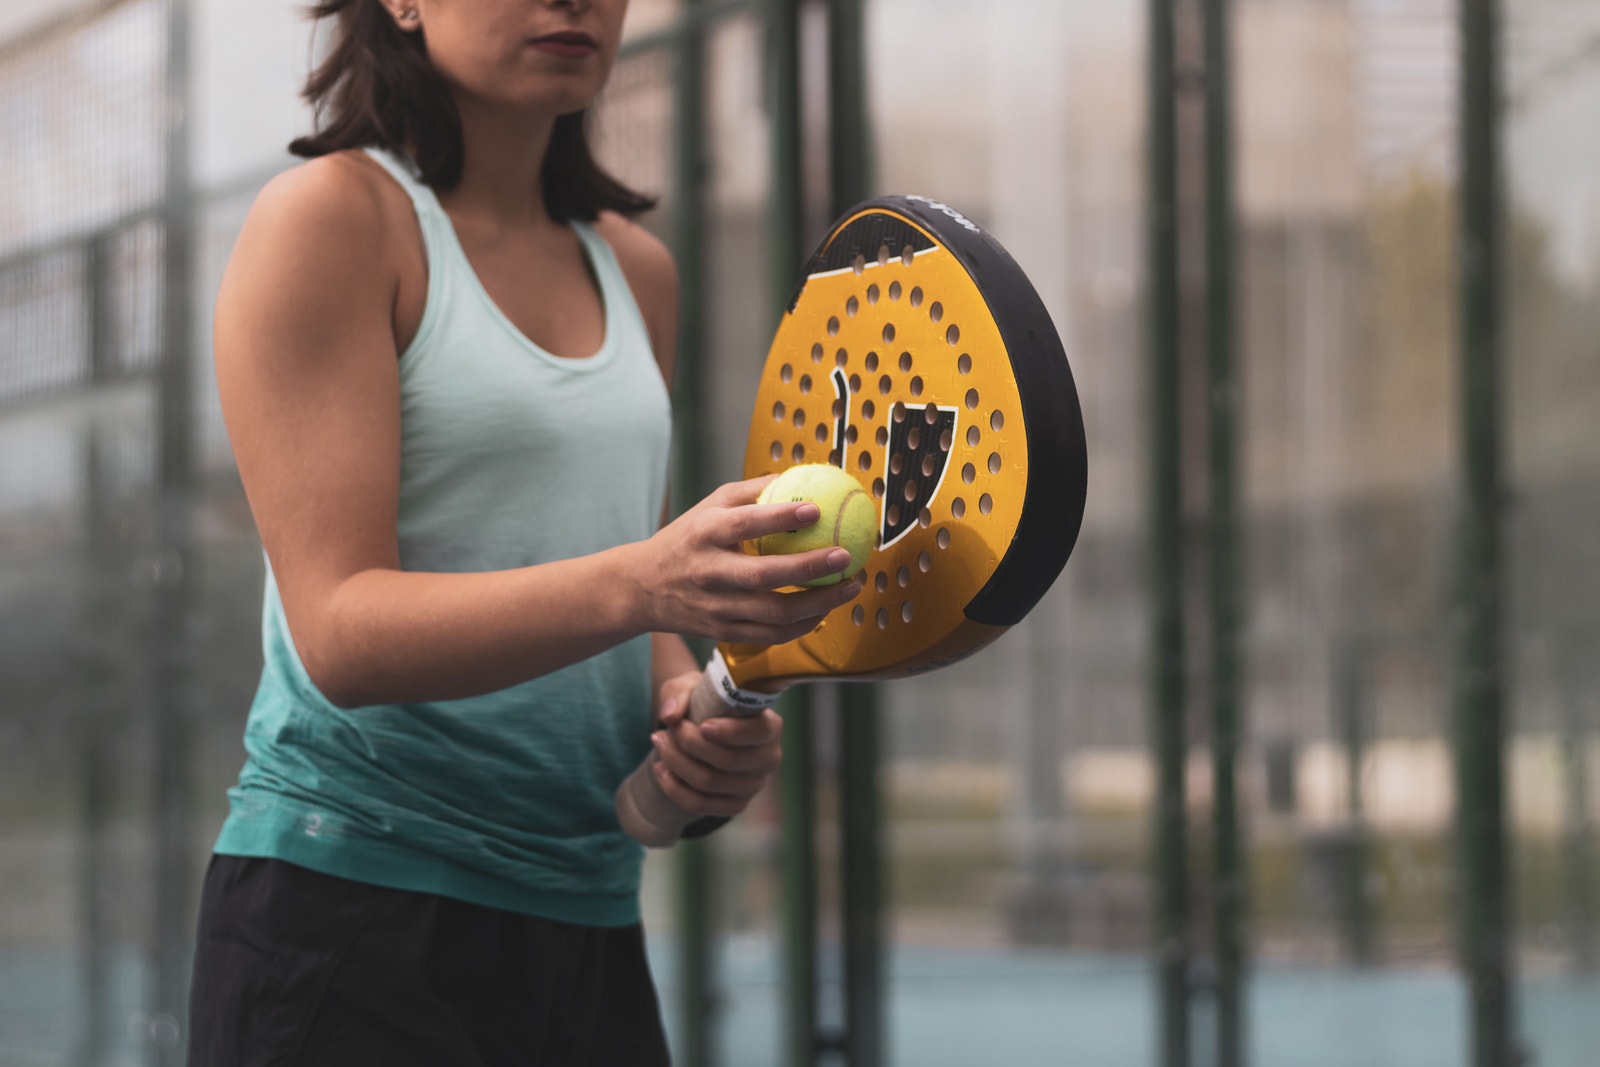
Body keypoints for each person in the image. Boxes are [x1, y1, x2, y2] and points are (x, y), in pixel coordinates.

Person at [186, 0, 861, 1063]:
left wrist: (687, 711)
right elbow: (341, 633)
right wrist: (648, 586)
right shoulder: (328, 219)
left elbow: (616, 587)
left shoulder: (638, 270)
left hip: (586, 923)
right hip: (351, 922)